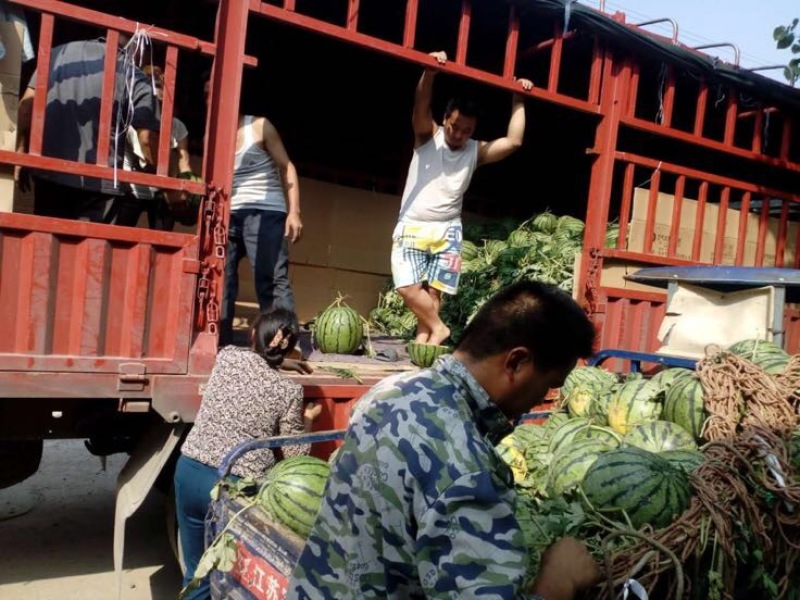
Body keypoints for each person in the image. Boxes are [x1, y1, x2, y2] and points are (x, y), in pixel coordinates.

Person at [288, 281, 601, 600]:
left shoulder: (391, 389)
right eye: (549, 385)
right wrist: (557, 582)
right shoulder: (465, 466)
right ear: (516, 362)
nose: (542, 399)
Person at [174, 307, 322, 599]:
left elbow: (252, 362)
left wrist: (278, 363)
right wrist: (309, 420)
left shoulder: (227, 357)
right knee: (231, 578)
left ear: (253, 334)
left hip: (189, 471)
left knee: (196, 573)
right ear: (290, 349)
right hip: (233, 488)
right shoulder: (288, 392)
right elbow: (296, 457)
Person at [392, 50, 533, 346]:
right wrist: (429, 73)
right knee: (407, 287)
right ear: (446, 119)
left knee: (433, 292)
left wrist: (519, 99)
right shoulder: (428, 136)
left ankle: (425, 342)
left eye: (467, 130)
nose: (459, 135)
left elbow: (514, 141)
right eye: (455, 127)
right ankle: (439, 329)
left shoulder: (474, 151)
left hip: (448, 229)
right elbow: (421, 105)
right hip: (413, 225)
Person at [15, 36, 160, 224]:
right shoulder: (133, 75)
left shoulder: (58, 53)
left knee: (46, 243)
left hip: (50, 174)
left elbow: (26, 107)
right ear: (137, 48)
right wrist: (158, 172)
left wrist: (20, 151)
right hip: (99, 184)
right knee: (93, 250)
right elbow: (147, 139)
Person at [204, 77, 303, 346]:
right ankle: (219, 343)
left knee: (270, 280)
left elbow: (288, 167)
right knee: (221, 279)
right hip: (229, 216)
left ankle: (282, 345)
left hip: (266, 212)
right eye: (206, 95)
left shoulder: (258, 126)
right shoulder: (212, 136)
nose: (210, 99)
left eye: (214, 93)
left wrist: (294, 212)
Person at [124, 64, 196, 230]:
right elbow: (144, 145)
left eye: (160, 84)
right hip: (131, 188)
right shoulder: (130, 118)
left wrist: (188, 189)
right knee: (118, 243)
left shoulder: (177, 126)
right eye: (150, 83)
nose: (156, 89)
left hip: (160, 192)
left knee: (161, 246)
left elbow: (183, 162)